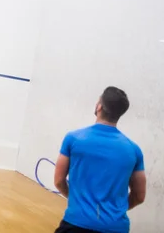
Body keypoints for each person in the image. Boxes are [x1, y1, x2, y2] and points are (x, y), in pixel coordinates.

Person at [53, 86, 146, 233]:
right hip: (116, 227)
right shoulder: (134, 150)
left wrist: (77, 201)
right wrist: (115, 210)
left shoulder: (73, 139)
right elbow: (139, 196)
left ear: (99, 107)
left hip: (76, 224)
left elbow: (58, 181)